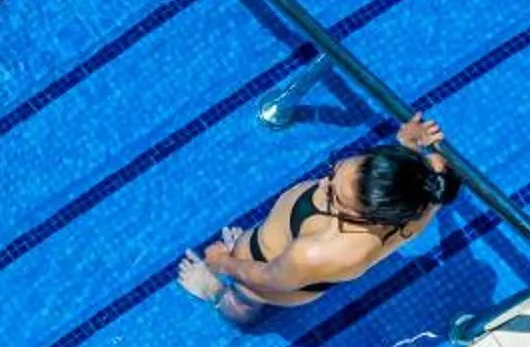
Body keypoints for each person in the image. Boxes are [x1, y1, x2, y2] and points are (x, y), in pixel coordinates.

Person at [175, 114, 459, 325]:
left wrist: (224, 262)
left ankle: (214, 293)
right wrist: (406, 147)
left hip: (272, 278)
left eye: (335, 194)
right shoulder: (422, 193)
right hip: (285, 253)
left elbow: (269, 279)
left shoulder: (319, 251)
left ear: (367, 215)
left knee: (243, 306)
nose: (324, 183)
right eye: (334, 171)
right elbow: (404, 180)